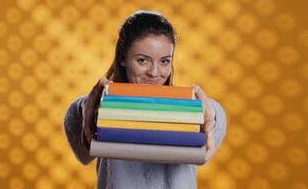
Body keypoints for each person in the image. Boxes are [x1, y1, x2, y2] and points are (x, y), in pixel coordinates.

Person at [63, 10, 227, 189]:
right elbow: (84, 152)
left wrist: (206, 109)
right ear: (123, 59)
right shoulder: (105, 110)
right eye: (142, 60)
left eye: (165, 61)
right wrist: (86, 104)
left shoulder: (186, 113)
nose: (155, 73)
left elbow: (214, 120)